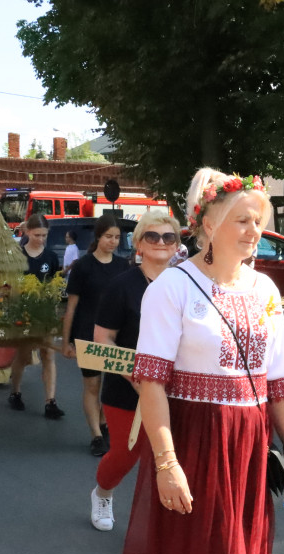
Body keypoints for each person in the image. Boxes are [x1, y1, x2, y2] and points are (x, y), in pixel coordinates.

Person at [121, 169, 284, 554]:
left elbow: (279, 381)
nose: (253, 230)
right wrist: (166, 463)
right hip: (197, 439)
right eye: (241, 219)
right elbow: (152, 382)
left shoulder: (265, 289)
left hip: (249, 443)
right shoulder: (172, 289)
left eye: (258, 220)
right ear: (205, 223)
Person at [89, 211, 181, 531]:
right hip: (127, 390)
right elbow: (103, 340)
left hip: (175, 389)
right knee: (126, 455)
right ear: (139, 243)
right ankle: (103, 492)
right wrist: (136, 376)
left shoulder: (186, 285)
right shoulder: (121, 286)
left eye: (168, 237)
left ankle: (165, 521)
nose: (160, 242)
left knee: (168, 458)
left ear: (176, 245)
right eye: (152, 236)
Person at [61, 215, 129, 455]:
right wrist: (66, 341)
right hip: (87, 333)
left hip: (116, 337)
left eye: (117, 238)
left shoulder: (123, 267)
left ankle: (104, 422)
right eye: (109, 236)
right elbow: (71, 308)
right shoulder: (83, 266)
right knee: (92, 384)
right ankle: (96, 435)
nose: (113, 242)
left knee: (112, 385)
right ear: (98, 236)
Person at [7, 214, 65, 419]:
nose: (41, 239)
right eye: (37, 235)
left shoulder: (50, 256)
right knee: (23, 355)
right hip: (24, 312)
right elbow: (10, 283)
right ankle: (15, 391)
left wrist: (54, 306)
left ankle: (50, 401)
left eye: (44, 235)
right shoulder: (17, 255)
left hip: (45, 312)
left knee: (48, 354)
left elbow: (54, 283)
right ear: (27, 232)